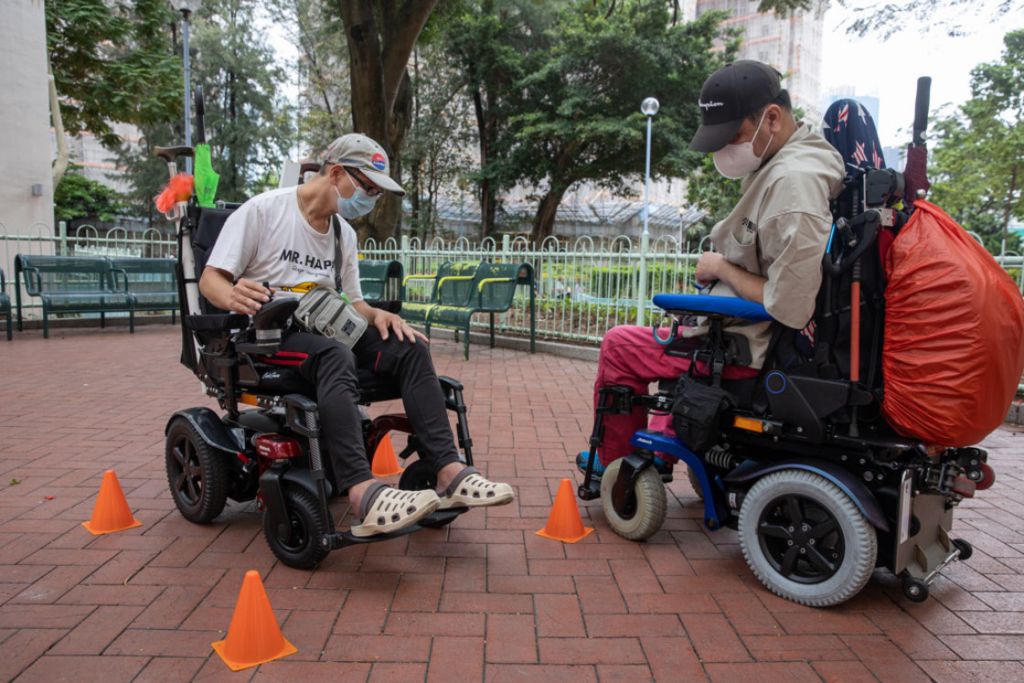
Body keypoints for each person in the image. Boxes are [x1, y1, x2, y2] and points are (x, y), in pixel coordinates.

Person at [200, 133, 515, 537]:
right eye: (367, 188)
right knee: (335, 355)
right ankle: (362, 491)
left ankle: (449, 473)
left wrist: (378, 315)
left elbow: (354, 303)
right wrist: (232, 294)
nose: (370, 199)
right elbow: (211, 279)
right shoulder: (264, 211)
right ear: (336, 174)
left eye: (376, 193)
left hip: (328, 326)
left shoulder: (342, 234)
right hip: (271, 337)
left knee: (410, 347)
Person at [584, 60, 845, 469]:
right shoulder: (799, 161)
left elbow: (789, 304)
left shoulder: (792, 184)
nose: (725, 150)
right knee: (677, 338)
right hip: (733, 336)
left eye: (732, 136)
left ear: (771, 118)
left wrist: (723, 268)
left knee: (621, 344)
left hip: (742, 349)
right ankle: (664, 444)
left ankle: (614, 464)